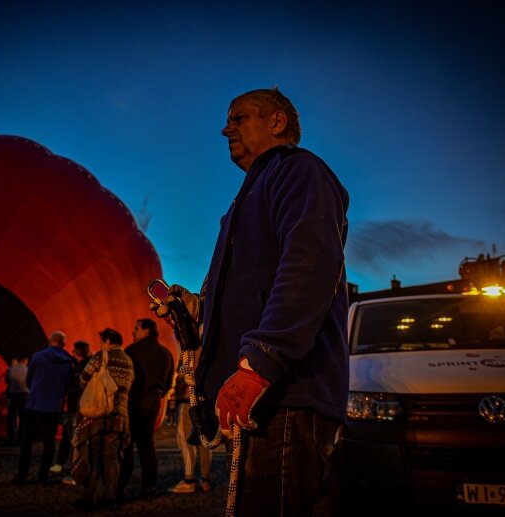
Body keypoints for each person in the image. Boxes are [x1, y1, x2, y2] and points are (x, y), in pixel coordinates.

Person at [153, 88, 350, 516]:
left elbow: (309, 267)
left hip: (288, 395)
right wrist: (198, 311)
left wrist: (260, 361)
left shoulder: (298, 171)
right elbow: (250, 287)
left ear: (276, 122)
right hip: (263, 395)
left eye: (238, 118)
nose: (226, 129)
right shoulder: (246, 200)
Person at [71, 328, 134, 510]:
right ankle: (110, 498)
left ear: (107, 341)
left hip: (97, 416)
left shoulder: (101, 356)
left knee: (93, 457)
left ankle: (88, 497)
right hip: (119, 416)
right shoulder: (128, 361)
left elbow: (83, 379)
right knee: (112, 459)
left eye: (101, 341)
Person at [118, 318, 175, 500]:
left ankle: (119, 486)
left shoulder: (131, 352)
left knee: (126, 447)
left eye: (136, 329)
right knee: (147, 447)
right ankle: (149, 487)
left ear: (147, 331)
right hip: (151, 405)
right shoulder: (166, 353)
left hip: (131, 404)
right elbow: (167, 385)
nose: (132, 332)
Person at [12, 331, 73, 485]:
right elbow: (68, 385)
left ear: (50, 341)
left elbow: (29, 379)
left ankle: (22, 475)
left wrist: (36, 390)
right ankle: (43, 476)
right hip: (54, 406)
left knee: (27, 441)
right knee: (49, 442)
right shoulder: (68, 361)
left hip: (35, 403)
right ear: (63, 344)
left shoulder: (38, 356)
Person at [168, 362, 213, 494]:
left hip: (187, 401)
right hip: (204, 401)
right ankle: (205, 479)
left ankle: (189, 480)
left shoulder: (188, 352)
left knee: (186, 441)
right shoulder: (207, 346)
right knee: (204, 442)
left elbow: (183, 375)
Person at [52, 339, 91, 478]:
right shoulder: (88, 365)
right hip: (81, 407)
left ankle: (75, 468)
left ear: (77, 352)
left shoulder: (80, 368)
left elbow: (76, 388)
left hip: (76, 408)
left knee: (75, 438)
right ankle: (61, 462)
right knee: (68, 436)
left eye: (74, 351)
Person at [4, 356, 29, 446]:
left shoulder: (11, 369)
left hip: (13, 395)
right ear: (25, 361)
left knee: (11, 418)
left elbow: (6, 381)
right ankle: (21, 439)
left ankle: (11, 439)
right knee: (23, 419)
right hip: (25, 395)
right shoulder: (28, 369)